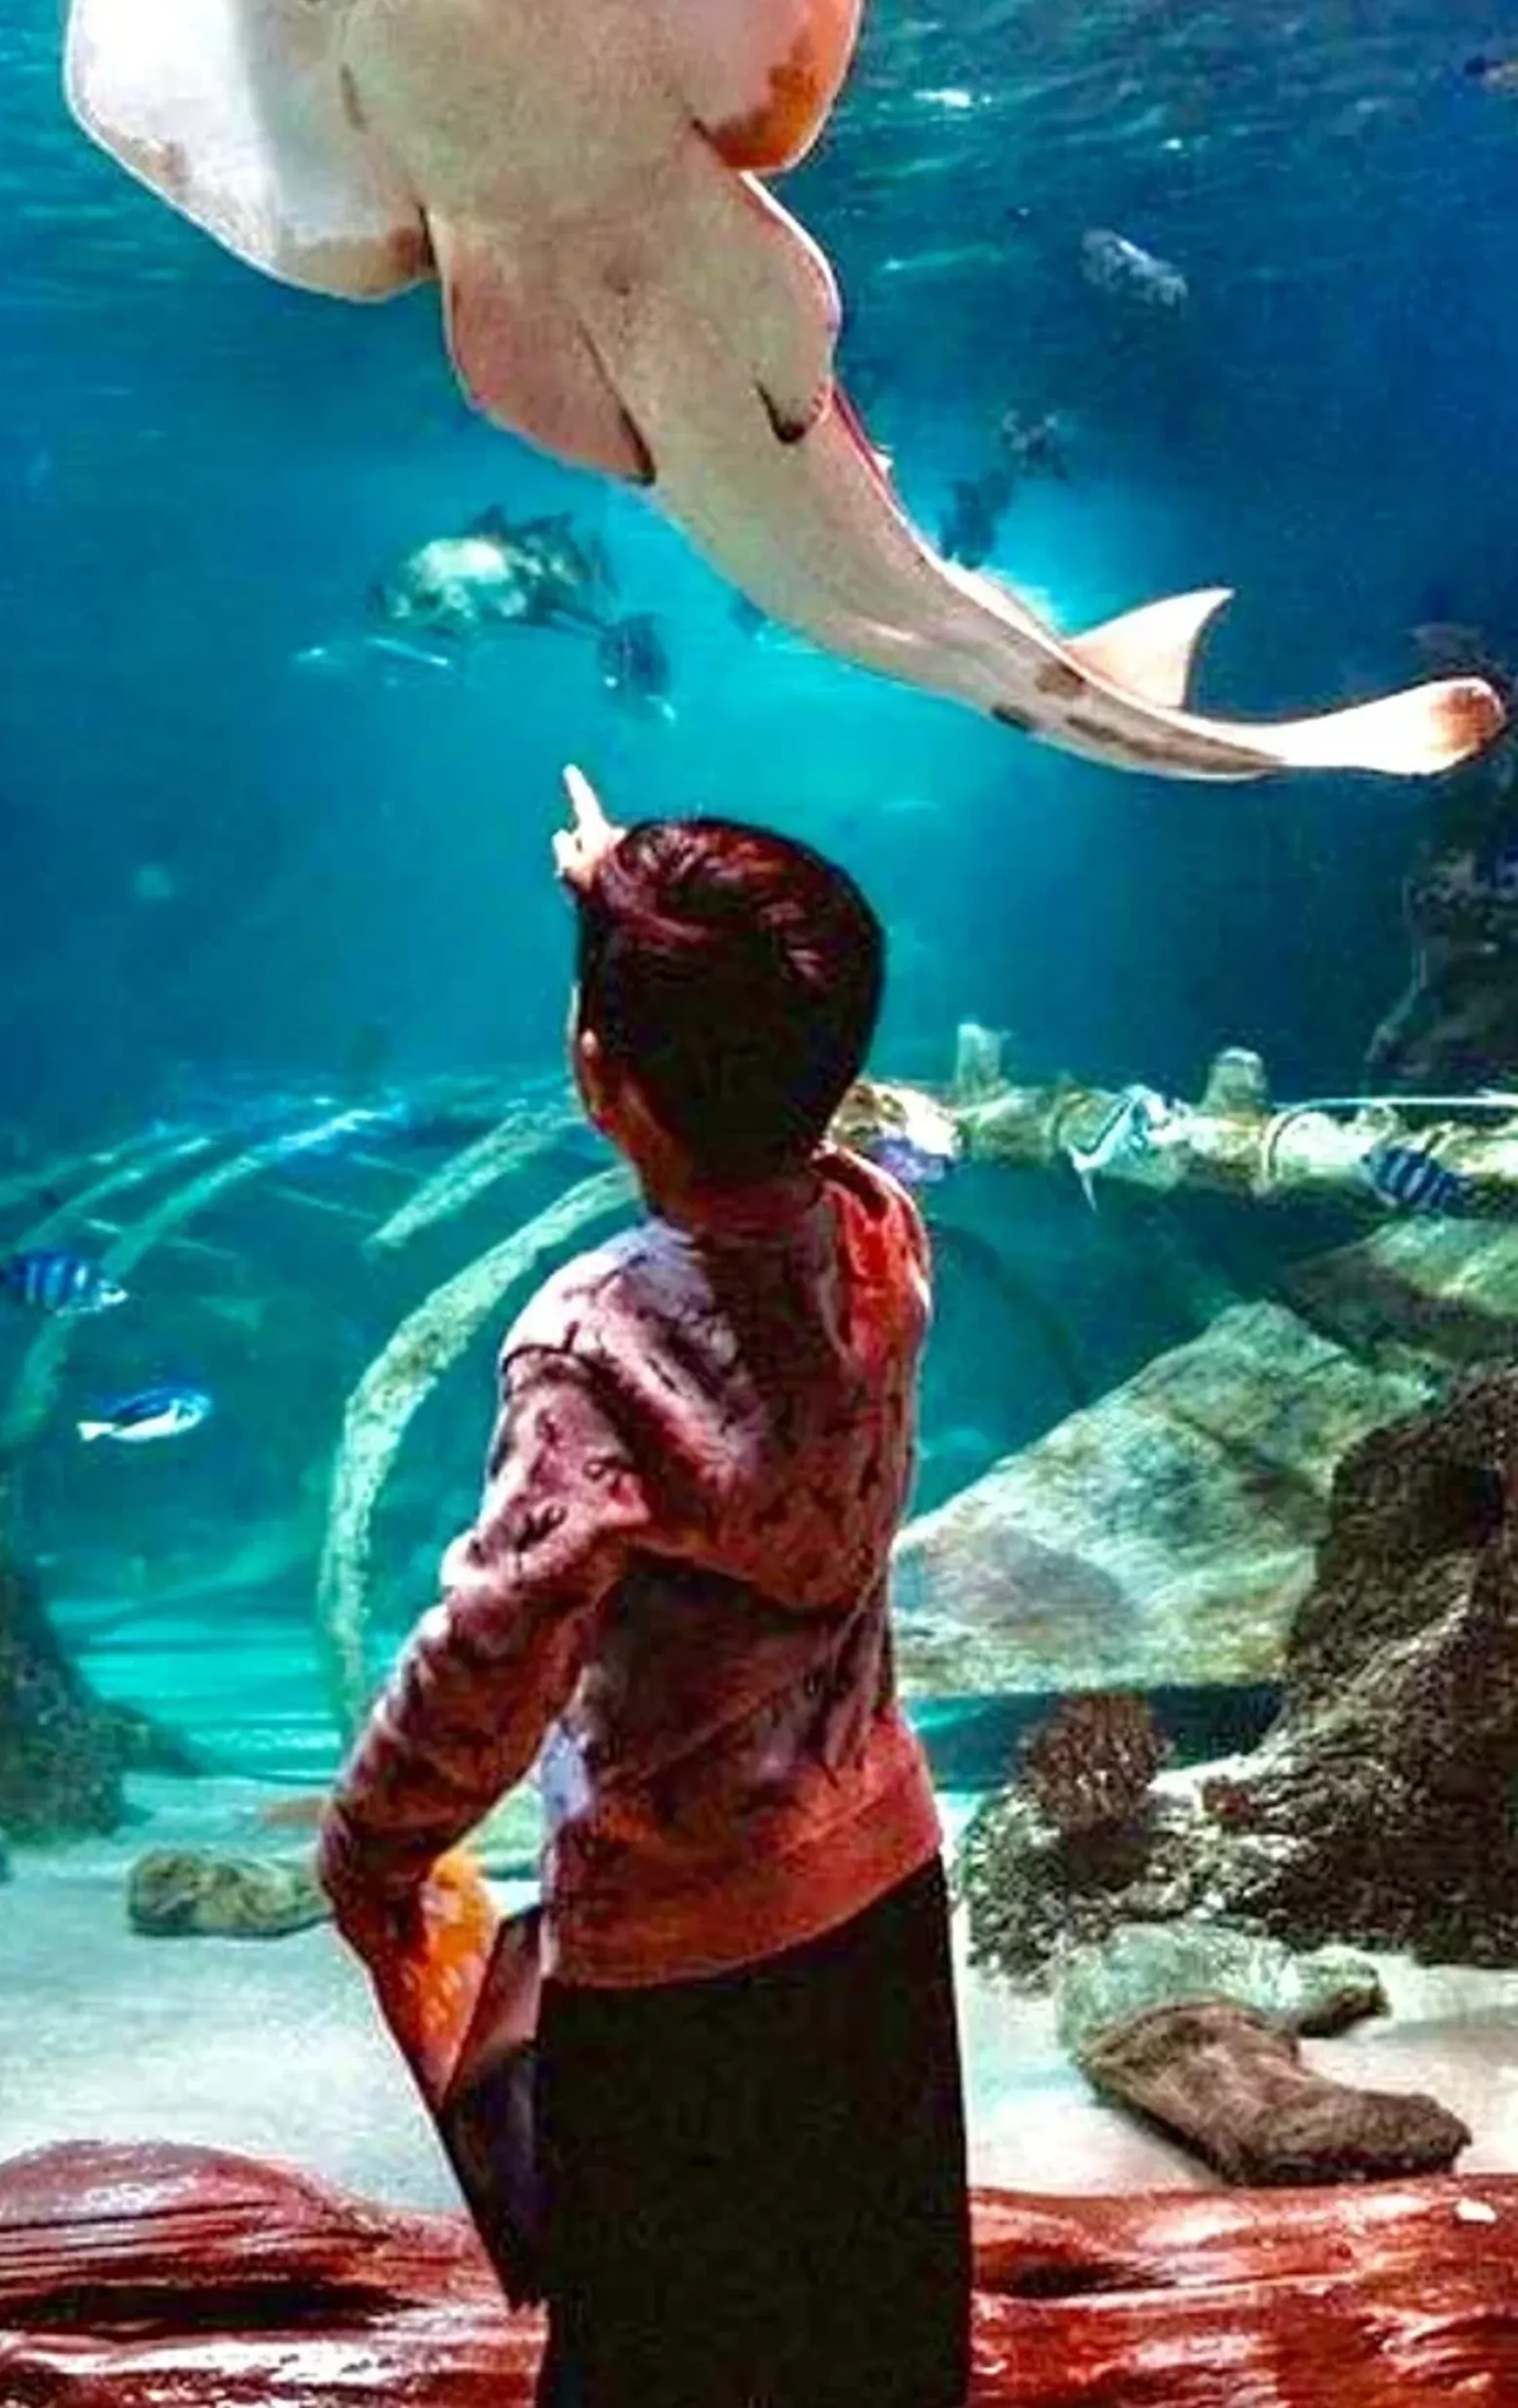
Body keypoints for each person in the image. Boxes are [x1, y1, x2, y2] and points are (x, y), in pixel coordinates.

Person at [318, 765, 970, 2408]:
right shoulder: (880, 1231)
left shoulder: (595, 1337)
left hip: (683, 1949)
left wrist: (374, 1845)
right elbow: (783, 1071)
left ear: (599, 1073)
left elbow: (499, 1645)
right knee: (871, 2335)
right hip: (878, 1882)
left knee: (662, 2349)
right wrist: (629, 899)